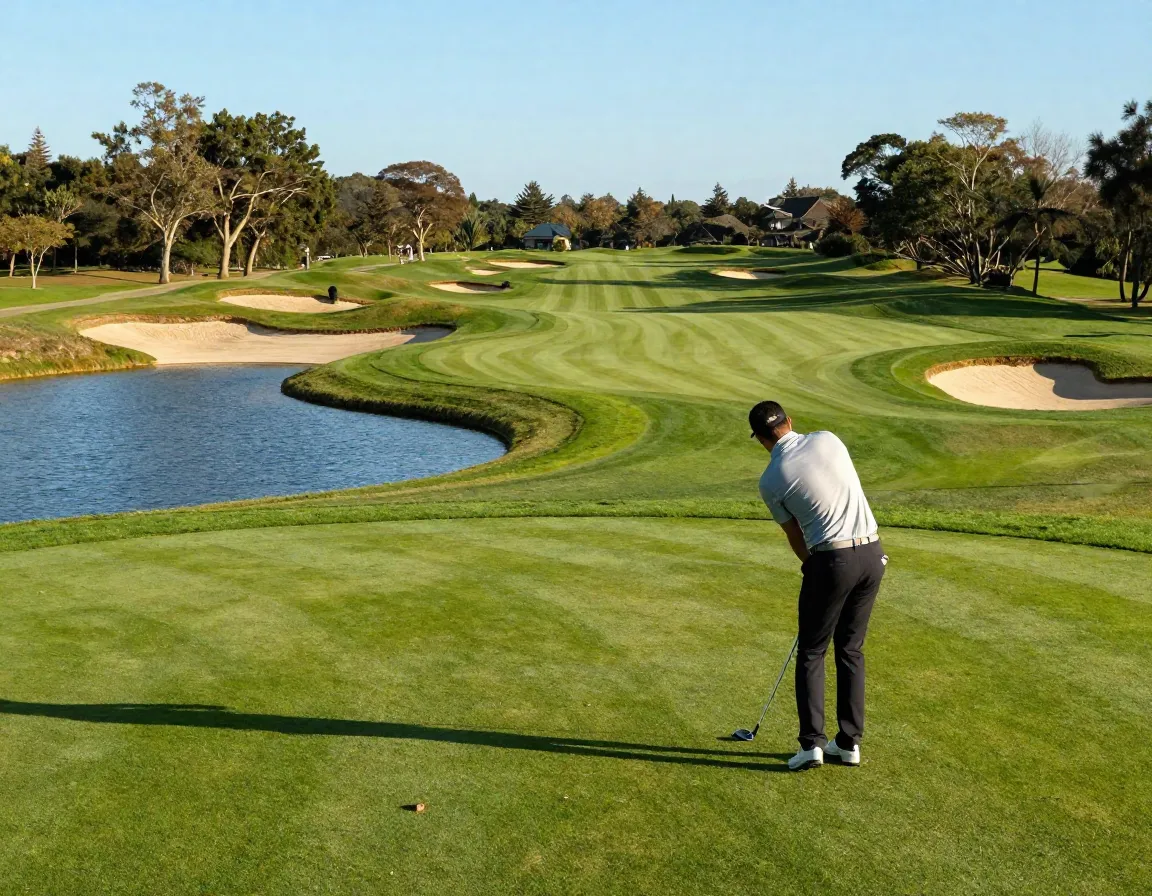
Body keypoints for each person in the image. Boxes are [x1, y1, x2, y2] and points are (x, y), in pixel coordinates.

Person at [750, 400, 887, 771]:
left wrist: (812, 568)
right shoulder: (829, 438)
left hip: (832, 560)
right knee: (850, 649)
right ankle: (848, 743)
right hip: (873, 553)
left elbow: (795, 535)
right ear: (789, 422)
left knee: (812, 651)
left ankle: (812, 744)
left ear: (760, 439)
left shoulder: (770, 480)